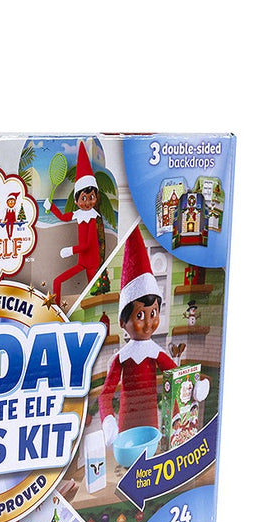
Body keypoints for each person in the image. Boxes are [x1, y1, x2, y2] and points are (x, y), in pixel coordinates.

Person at [99, 227, 175, 444]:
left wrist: (194, 386)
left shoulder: (156, 353)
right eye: (140, 315)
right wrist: (108, 421)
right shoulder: (121, 358)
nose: (149, 323)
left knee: (149, 454)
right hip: (126, 424)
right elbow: (105, 394)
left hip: (150, 422)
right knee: (128, 457)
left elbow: (177, 377)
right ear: (123, 322)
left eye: (154, 313)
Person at [43, 142, 103, 305]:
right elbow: (63, 217)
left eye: (91, 197)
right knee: (57, 281)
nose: (88, 202)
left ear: (96, 197)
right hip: (82, 262)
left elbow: (87, 244)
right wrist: (51, 207)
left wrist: (70, 250)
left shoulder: (91, 218)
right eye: (84, 198)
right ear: (76, 201)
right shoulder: (79, 215)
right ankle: (56, 309)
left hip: (91, 263)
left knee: (95, 293)